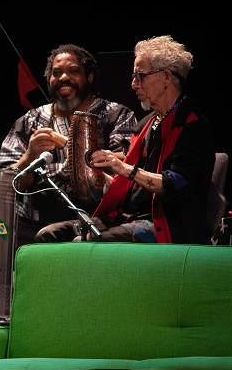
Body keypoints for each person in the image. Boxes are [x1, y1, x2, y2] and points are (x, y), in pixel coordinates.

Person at [35, 35, 215, 244]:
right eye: (133, 76)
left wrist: (124, 169)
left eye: (141, 76)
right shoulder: (148, 124)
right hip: (127, 217)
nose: (133, 84)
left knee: (86, 243)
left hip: (164, 224)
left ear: (166, 77)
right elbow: (129, 177)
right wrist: (105, 166)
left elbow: (176, 185)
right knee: (49, 235)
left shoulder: (192, 126)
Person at [0, 44, 137, 246]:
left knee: (50, 236)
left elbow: (127, 166)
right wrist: (29, 156)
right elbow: (7, 185)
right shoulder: (30, 120)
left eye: (73, 71)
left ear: (89, 77)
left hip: (94, 216)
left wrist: (71, 146)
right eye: (56, 73)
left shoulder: (115, 114)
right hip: (34, 219)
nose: (63, 78)